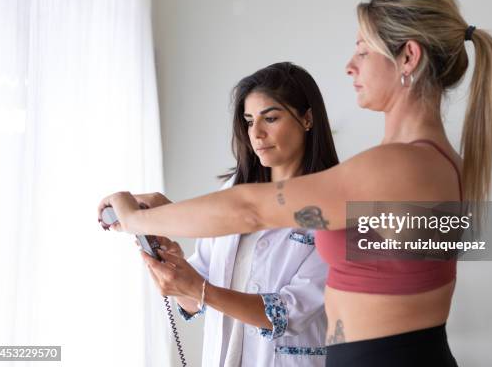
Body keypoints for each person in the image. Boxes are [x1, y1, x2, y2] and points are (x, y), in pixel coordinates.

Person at [99, 0, 492, 366]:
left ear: (408, 57)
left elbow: (250, 210)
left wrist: (136, 218)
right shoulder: (425, 160)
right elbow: (247, 213)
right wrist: (170, 229)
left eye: (363, 50)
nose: (350, 66)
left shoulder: (401, 164)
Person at [125, 62, 339, 366]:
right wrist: (176, 270)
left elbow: (288, 313)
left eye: (271, 118)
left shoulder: (333, 202)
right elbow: (193, 301)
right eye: (249, 121)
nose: (257, 133)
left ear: (307, 118)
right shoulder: (232, 193)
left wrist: (201, 290)